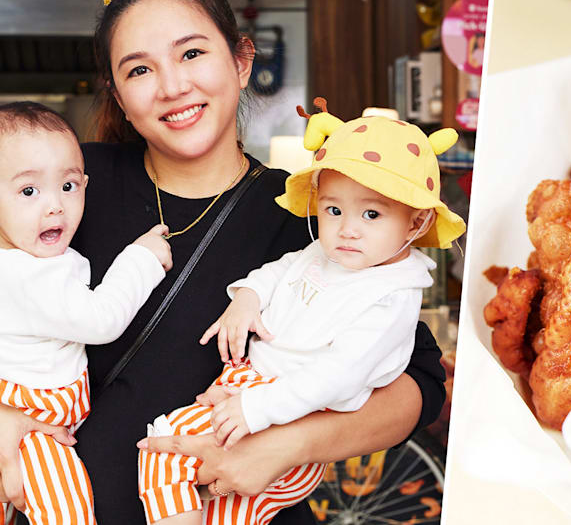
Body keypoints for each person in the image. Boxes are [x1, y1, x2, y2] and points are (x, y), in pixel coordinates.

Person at [0, 0, 448, 525]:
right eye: (139, 69)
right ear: (119, 95)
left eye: (192, 54)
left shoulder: (311, 214)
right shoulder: (71, 186)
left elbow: (419, 380)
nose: (173, 86)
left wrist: (287, 446)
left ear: (242, 60)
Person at [138, 106, 466, 525]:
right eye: (333, 210)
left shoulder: (391, 298)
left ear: (416, 223)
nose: (347, 229)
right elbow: (281, 270)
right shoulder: (329, 254)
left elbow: (339, 375)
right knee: (222, 510)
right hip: (256, 395)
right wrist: (248, 298)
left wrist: (256, 408)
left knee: (166, 448)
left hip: (289, 415)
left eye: (371, 214)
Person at [0, 102, 172, 525]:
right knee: (67, 509)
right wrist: (143, 259)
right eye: (29, 192)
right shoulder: (31, 277)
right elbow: (102, 319)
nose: (55, 205)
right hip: (30, 421)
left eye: (69, 186)